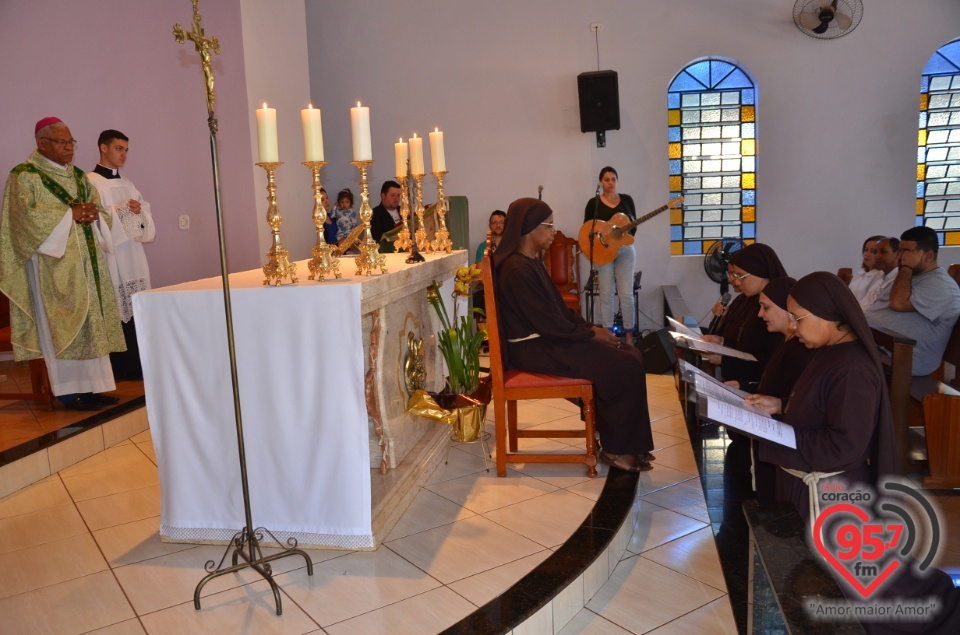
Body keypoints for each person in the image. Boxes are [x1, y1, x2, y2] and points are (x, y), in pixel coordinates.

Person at [747, 273, 960, 633]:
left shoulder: (852, 367)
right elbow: (825, 408)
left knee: (882, 595)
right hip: (818, 491)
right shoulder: (830, 352)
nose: (794, 327)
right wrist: (782, 405)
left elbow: (844, 445)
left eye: (799, 318)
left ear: (829, 316)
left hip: (835, 499)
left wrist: (778, 436)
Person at [494, 197, 654, 472]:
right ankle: (616, 449)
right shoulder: (516, 269)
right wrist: (591, 335)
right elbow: (548, 323)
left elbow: (558, 312)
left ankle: (629, 443)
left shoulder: (530, 262)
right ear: (531, 229)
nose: (553, 231)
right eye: (549, 225)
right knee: (622, 363)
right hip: (533, 348)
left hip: (548, 339)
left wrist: (589, 328)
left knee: (631, 354)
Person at [0, 117, 125, 411]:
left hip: (87, 267)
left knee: (92, 327)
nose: (69, 148)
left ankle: (95, 388)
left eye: (71, 142)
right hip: (52, 270)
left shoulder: (80, 177)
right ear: (41, 143)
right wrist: (69, 214)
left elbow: (100, 213)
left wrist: (95, 216)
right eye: (62, 142)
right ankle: (69, 392)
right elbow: (23, 223)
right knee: (63, 327)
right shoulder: (25, 176)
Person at [87, 129, 155, 381]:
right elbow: (95, 222)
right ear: (103, 148)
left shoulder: (128, 184)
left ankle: (137, 365)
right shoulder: (90, 181)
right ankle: (119, 367)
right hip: (110, 257)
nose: (123, 154)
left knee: (135, 310)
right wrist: (122, 211)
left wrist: (137, 212)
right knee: (116, 310)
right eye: (118, 149)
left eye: (126, 150)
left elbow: (145, 226)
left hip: (134, 257)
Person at [866, 226, 960, 376]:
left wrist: (906, 267)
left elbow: (898, 303)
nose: (900, 256)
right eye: (900, 251)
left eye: (906, 251)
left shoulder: (942, 286)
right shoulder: (907, 278)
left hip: (904, 360)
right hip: (880, 347)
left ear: (928, 256)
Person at [702, 243, 788, 390]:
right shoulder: (745, 299)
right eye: (735, 275)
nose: (735, 281)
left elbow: (768, 361)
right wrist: (721, 340)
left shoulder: (778, 307)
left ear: (761, 271)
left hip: (754, 386)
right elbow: (741, 341)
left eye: (741, 275)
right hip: (741, 383)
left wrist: (724, 361)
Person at [583, 166, 637, 346]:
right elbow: (587, 229)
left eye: (613, 179)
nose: (610, 183)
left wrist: (620, 233)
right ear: (600, 182)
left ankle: (629, 336)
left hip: (624, 251)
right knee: (606, 293)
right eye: (606, 179)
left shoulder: (627, 200)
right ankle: (608, 334)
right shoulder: (594, 203)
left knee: (626, 294)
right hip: (603, 252)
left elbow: (633, 229)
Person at [473, 210, 506, 321]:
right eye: (494, 222)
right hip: (488, 288)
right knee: (480, 298)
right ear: (489, 226)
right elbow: (482, 276)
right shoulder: (483, 247)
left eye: (501, 222)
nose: (498, 225)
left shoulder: (513, 245)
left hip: (509, 287)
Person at [847, 234, 886, 305]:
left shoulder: (881, 275)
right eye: (866, 250)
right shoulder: (861, 272)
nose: (867, 254)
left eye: (873, 251)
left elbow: (868, 303)